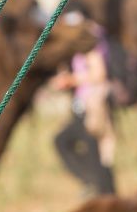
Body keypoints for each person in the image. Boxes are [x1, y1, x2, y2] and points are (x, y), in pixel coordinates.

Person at [51, 10, 117, 196]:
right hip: (85, 103)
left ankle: (101, 189)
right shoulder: (83, 46)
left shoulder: (90, 44)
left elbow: (99, 73)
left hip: (92, 104)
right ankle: (100, 188)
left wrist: (72, 80)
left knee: (92, 150)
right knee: (92, 151)